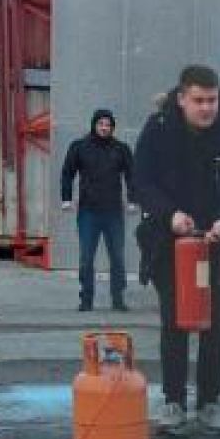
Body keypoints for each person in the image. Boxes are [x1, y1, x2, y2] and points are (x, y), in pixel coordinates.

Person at [131, 64, 220, 436]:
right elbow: (141, 181)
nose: (207, 108)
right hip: (170, 242)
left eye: (212, 100)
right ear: (181, 98)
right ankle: (173, 402)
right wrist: (170, 215)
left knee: (215, 325)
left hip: (219, 242)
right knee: (175, 322)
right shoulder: (158, 129)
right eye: (198, 100)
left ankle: (210, 402)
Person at [59, 108, 137, 311]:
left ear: (112, 128)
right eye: (101, 124)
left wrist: (132, 201)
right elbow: (67, 173)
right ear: (94, 125)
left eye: (108, 125)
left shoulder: (121, 149)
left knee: (117, 257)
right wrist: (66, 199)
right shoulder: (79, 147)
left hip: (113, 213)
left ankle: (118, 298)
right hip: (88, 212)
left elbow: (131, 176)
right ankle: (86, 299)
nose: (104, 128)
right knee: (86, 257)